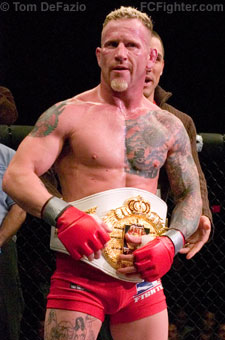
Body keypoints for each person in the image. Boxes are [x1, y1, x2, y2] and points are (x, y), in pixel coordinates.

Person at [3, 6, 202, 340]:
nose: (120, 54)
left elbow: (190, 196)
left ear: (150, 55)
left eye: (131, 45)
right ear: (99, 54)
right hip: (78, 277)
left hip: (142, 282)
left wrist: (171, 241)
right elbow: (17, 175)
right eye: (112, 45)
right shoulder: (67, 114)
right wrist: (64, 215)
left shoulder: (168, 126)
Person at [143, 30, 212, 259]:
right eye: (142, 56)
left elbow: (194, 179)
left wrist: (201, 215)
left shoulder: (179, 121)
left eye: (156, 58)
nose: (148, 66)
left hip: (151, 234)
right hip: (93, 235)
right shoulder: (89, 114)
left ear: (163, 66)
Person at [0, 143, 26, 340]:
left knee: (7, 316)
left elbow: (19, 208)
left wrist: (0, 239)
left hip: (2, 243)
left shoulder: (8, 156)